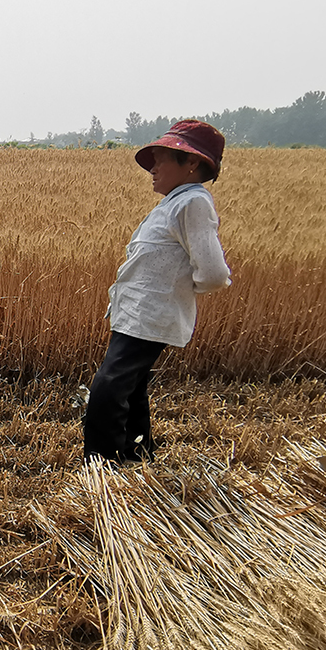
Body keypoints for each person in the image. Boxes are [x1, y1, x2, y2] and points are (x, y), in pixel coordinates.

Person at [83, 120, 231, 464]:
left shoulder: (192, 203)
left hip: (151, 314)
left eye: (162, 158)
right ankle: (137, 457)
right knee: (131, 389)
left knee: (108, 386)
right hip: (137, 313)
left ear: (191, 163)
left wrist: (173, 291)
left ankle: (101, 465)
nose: (152, 167)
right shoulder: (175, 202)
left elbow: (212, 273)